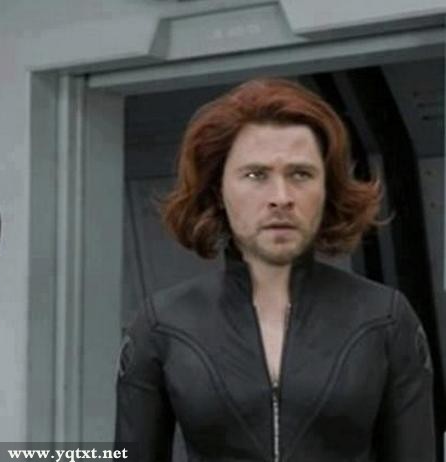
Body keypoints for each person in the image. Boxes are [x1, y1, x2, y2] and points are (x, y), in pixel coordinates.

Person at [114, 78, 435, 461]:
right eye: (256, 175)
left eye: (301, 174)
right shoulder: (162, 324)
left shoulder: (386, 318)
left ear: (326, 190)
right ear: (218, 190)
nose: (281, 198)